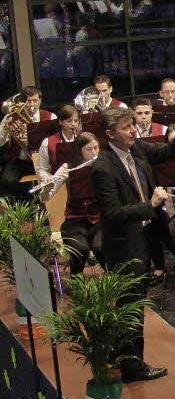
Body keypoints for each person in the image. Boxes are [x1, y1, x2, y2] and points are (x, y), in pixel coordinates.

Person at [91, 106, 175, 382]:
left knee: (133, 302)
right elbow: (112, 215)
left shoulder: (135, 148)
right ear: (110, 134)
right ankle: (133, 368)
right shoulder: (103, 167)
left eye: (132, 124)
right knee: (132, 306)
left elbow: (167, 152)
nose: (133, 130)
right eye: (126, 127)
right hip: (123, 244)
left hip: (144, 236)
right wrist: (150, 204)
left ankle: (119, 355)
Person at [38, 132, 104, 275]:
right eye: (89, 149)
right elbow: (45, 198)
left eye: (96, 148)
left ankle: (114, 282)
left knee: (100, 247)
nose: (94, 153)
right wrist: (47, 189)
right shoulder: (68, 167)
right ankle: (77, 281)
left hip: (99, 219)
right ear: (79, 151)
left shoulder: (103, 165)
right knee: (80, 249)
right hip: (74, 221)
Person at [1, 85, 55, 199]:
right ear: (23, 102)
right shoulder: (11, 118)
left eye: (35, 100)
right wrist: (6, 128)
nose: (31, 104)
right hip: (20, 162)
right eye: (28, 101)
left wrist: (33, 140)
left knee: (51, 181)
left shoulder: (50, 117)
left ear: (40, 101)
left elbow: (55, 142)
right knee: (6, 181)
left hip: (43, 162)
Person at [36, 103, 79, 184]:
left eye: (76, 121)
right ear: (60, 122)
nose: (73, 124)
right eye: (69, 121)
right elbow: (41, 170)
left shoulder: (82, 140)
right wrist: (48, 179)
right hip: (57, 183)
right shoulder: (47, 142)